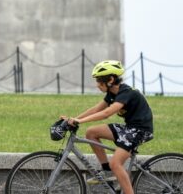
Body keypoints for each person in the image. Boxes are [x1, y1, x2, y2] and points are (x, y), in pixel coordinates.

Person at [63, 60, 154, 194]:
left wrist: (79, 121)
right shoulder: (112, 93)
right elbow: (96, 109)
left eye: (99, 81)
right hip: (130, 128)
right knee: (91, 132)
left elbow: (106, 113)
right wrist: (75, 119)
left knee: (116, 163)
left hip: (141, 130)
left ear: (111, 79)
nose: (97, 84)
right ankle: (106, 172)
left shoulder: (126, 93)